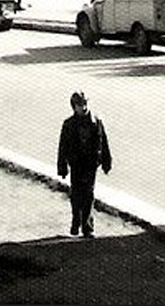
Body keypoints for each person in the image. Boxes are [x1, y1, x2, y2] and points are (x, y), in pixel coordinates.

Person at [56, 90, 111, 238]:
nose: (83, 107)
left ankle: (87, 227)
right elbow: (63, 147)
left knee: (88, 194)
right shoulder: (68, 125)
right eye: (80, 105)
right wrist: (62, 166)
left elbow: (103, 142)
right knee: (76, 194)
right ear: (74, 107)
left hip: (90, 164)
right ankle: (76, 219)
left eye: (85, 103)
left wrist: (106, 161)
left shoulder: (96, 122)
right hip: (76, 164)